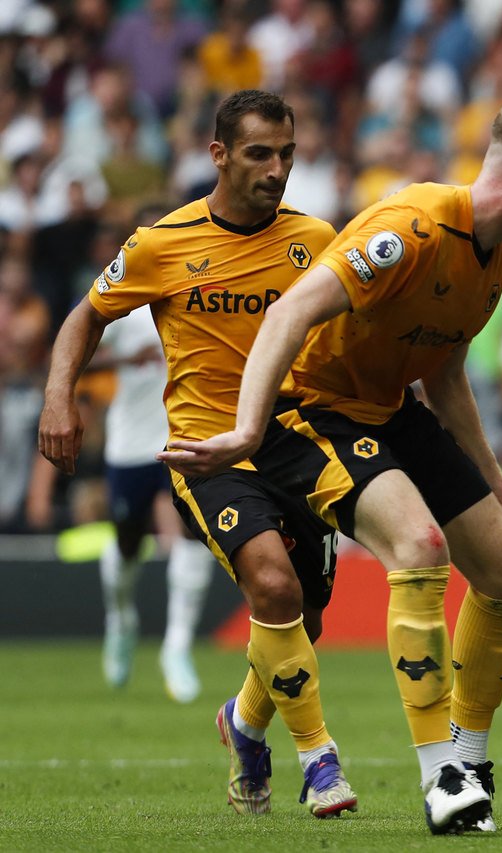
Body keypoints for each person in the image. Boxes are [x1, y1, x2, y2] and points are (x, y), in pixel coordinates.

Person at [158, 94, 502, 834]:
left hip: (391, 408)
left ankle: (468, 753)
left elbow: (448, 374)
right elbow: (287, 314)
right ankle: (441, 779)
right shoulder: (412, 229)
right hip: (313, 407)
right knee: (419, 546)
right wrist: (244, 430)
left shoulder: (501, 253)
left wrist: (500, 490)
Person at [37, 90, 356, 819]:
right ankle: (320, 761)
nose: (277, 169)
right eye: (259, 154)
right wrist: (60, 396)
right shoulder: (161, 243)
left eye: (287, 154)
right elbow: (86, 315)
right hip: (207, 449)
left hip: (300, 445)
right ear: (218, 154)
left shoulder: (318, 239)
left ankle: (244, 723)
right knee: (272, 588)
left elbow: (357, 329)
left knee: (303, 621)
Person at [93, 299, 215, 703]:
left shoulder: (202, 296)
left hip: (186, 436)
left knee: (191, 532)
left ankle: (177, 647)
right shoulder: (126, 301)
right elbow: (76, 352)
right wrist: (130, 358)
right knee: (128, 541)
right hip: (131, 444)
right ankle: (121, 619)